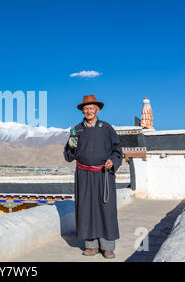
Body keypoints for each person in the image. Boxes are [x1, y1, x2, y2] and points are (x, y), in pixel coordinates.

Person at [64, 95, 123, 259]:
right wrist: (71, 145)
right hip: (83, 175)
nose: (89, 111)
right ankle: (91, 245)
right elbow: (69, 156)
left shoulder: (107, 128)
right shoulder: (76, 130)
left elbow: (118, 150)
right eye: (86, 108)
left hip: (103, 175)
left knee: (106, 209)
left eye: (92, 108)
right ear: (82, 110)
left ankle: (107, 246)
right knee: (86, 209)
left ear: (97, 110)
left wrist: (113, 160)